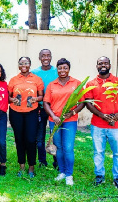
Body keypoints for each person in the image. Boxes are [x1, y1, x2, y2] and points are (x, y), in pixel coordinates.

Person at [43, 58, 85, 186]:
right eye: (60, 68)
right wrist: (53, 116)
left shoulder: (76, 83)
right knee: (59, 147)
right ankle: (61, 172)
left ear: (69, 69)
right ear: (57, 69)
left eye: (65, 68)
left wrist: (72, 112)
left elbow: (82, 102)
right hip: (54, 121)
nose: (62, 70)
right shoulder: (52, 84)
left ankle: (69, 175)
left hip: (70, 120)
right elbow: (46, 103)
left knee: (68, 147)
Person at [8, 57, 44, 178]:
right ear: (18, 66)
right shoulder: (13, 80)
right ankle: (22, 166)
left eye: (26, 63)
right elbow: (8, 97)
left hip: (31, 112)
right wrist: (12, 99)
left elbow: (41, 97)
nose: (24, 65)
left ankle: (31, 168)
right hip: (16, 112)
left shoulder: (37, 79)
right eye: (21, 63)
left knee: (30, 140)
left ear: (30, 65)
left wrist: (35, 99)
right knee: (19, 140)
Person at [85, 56, 118, 187]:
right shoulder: (91, 84)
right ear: (97, 66)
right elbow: (88, 103)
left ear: (110, 65)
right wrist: (102, 116)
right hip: (98, 125)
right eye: (100, 63)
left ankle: (117, 177)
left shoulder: (116, 82)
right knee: (98, 152)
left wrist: (116, 116)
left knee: (117, 153)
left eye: (105, 63)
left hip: (116, 126)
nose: (103, 65)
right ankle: (99, 176)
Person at [32, 49, 58, 168]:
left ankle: (57, 161)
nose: (46, 58)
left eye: (48, 55)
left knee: (55, 136)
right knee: (40, 137)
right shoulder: (34, 73)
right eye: (43, 56)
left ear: (51, 57)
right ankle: (42, 161)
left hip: (55, 109)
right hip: (40, 108)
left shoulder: (57, 71)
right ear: (39, 58)